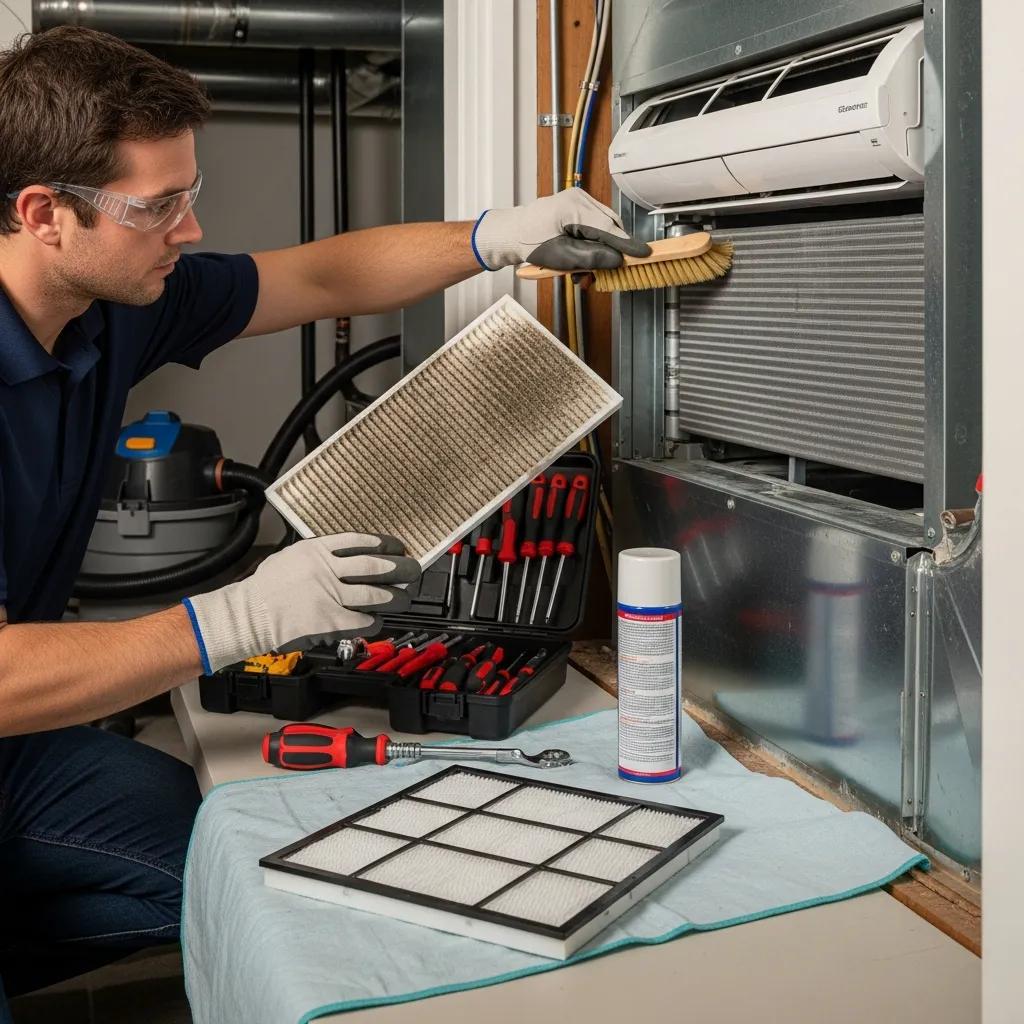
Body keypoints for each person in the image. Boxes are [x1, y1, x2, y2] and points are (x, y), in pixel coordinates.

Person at [0, 24, 649, 1015]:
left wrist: (492, 238)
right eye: (158, 205)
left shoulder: (113, 305)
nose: (186, 229)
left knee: (235, 862)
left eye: (192, 195)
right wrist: (233, 622)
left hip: (20, 751)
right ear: (45, 214)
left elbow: (317, 277)